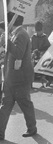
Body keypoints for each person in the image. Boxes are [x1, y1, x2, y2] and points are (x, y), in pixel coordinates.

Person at [0, 12, 37, 140]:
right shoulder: (15, 33)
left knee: (25, 104)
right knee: (5, 106)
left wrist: (7, 41)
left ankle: (32, 128)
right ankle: (0, 133)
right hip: (11, 78)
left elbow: (18, 53)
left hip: (20, 79)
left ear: (12, 22)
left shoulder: (21, 34)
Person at [31, 20, 51, 87]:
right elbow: (31, 46)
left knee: (41, 69)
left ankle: (44, 81)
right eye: (37, 31)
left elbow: (48, 46)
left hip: (42, 55)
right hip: (35, 54)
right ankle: (42, 81)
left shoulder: (44, 37)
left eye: (39, 31)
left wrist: (39, 50)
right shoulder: (33, 37)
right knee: (35, 69)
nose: (39, 33)